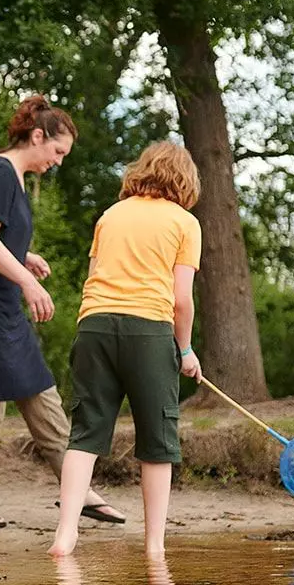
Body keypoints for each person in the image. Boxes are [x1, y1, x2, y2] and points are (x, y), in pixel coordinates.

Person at [0, 96, 125, 530]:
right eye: (57, 152)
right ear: (37, 136)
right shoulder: (0, 172)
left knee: (39, 389)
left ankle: (77, 488)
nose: (57, 162)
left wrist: (25, 255)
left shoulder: (10, 178)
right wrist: (27, 279)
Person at [49, 141, 203, 559]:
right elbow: (181, 300)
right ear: (185, 181)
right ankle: (154, 546)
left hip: (94, 326)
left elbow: (94, 276)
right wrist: (185, 349)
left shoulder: (110, 216)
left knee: (85, 433)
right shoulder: (184, 223)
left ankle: (65, 534)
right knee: (158, 439)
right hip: (149, 332)